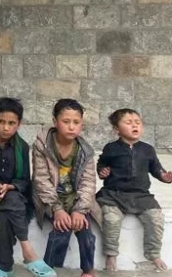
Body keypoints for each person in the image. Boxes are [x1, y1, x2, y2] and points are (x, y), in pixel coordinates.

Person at [0, 98, 55, 277]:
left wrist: (9, 186)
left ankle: (4, 268)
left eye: (11, 123)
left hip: (14, 196)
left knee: (5, 215)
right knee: (9, 205)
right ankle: (28, 251)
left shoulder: (22, 147)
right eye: (1, 121)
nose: (6, 128)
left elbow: (24, 180)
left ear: (19, 124)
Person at [97, 109, 172, 272]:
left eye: (138, 123)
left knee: (156, 218)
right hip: (114, 194)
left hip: (141, 196)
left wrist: (165, 176)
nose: (135, 125)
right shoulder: (111, 148)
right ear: (116, 129)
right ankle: (111, 254)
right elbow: (102, 164)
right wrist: (102, 171)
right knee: (111, 220)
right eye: (128, 123)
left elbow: (157, 169)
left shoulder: (148, 150)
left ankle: (154, 254)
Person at [32, 99, 101, 277]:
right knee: (62, 229)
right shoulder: (42, 146)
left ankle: (88, 271)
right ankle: (47, 270)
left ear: (81, 125)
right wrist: (57, 209)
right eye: (66, 121)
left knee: (85, 231)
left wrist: (80, 210)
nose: (71, 127)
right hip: (50, 199)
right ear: (55, 122)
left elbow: (88, 183)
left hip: (75, 199)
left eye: (76, 122)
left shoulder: (85, 151)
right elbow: (41, 180)